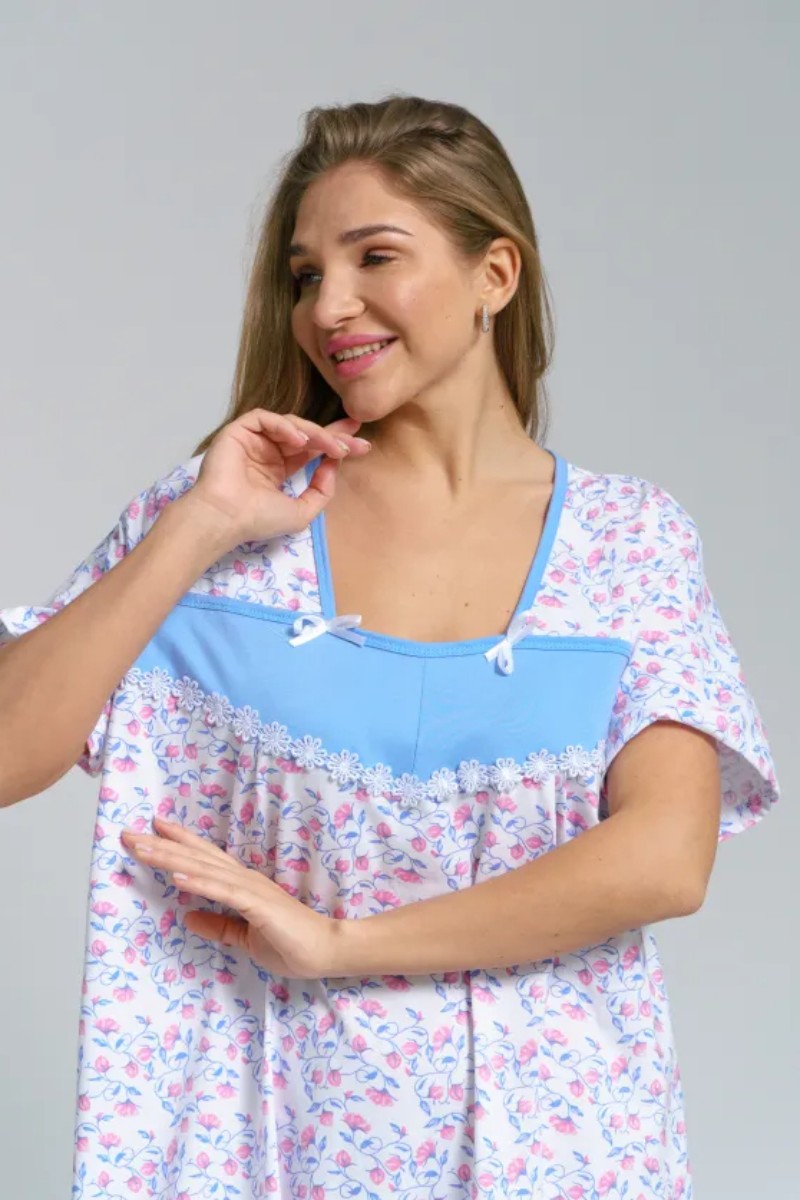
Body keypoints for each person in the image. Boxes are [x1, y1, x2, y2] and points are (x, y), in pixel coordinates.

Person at [0, 93, 780, 1198]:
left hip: (552, 1161)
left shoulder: (627, 540)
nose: (329, 306)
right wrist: (199, 527)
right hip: (255, 1151)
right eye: (305, 273)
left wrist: (338, 943)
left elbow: (663, 856)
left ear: (494, 274)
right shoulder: (223, 522)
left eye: (375, 257)